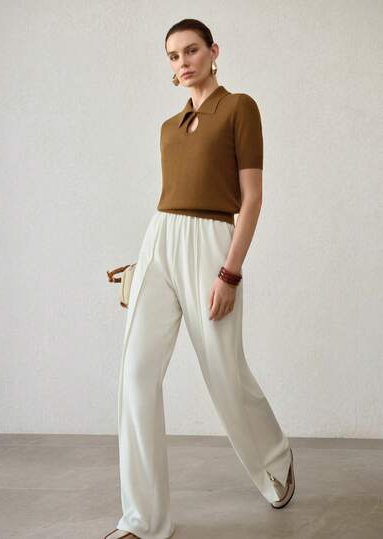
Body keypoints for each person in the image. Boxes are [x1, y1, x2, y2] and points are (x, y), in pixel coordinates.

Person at [103, 18, 295, 539]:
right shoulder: (169, 127)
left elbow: (251, 199)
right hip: (159, 239)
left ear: (213, 51)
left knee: (223, 372)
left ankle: (275, 459)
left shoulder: (239, 108)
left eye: (191, 50)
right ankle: (143, 520)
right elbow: (172, 202)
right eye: (173, 55)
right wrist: (150, 256)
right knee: (135, 375)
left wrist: (229, 272)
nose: (182, 62)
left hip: (213, 243)